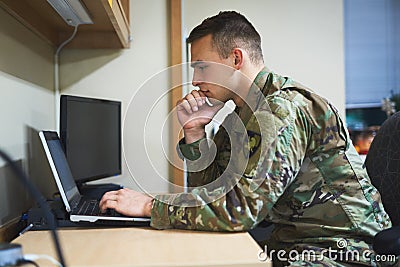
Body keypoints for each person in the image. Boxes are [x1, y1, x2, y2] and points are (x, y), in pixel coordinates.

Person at [100, 11, 391, 266]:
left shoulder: (279, 111)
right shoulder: (241, 115)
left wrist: (150, 206)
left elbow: (241, 211)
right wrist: (195, 133)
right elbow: (215, 190)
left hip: (344, 250)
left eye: (202, 67)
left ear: (236, 59)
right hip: (293, 242)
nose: (195, 81)